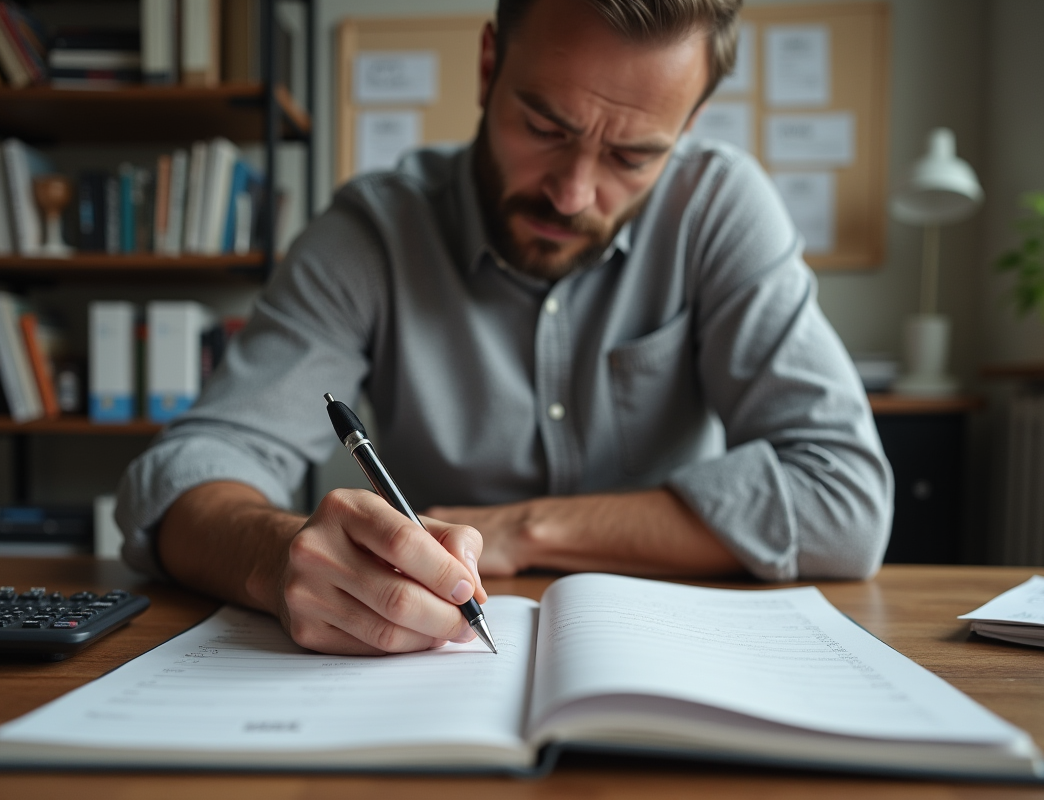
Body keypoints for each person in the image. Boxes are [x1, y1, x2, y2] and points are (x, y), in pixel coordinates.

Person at [116, 0, 893, 656]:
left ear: (687, 127)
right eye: (547, 126)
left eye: (632, 155)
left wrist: (519, 530)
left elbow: (845, 498)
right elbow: (188, 470)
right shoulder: (375, 231)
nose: (574, 193)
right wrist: (274, 555)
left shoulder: (718, 210)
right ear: (488, 66)